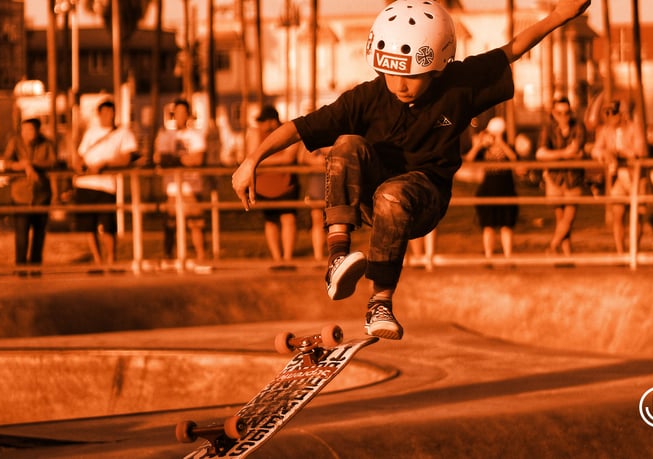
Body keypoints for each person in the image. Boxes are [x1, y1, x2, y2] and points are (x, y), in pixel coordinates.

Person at [232, 0, 591, 340]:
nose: (399, 85)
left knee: (393, 195)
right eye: (390, 73)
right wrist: (252, 160)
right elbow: (299, 127)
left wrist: (560, 15)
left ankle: (380, 303)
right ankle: (337, 255)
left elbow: (512, 50)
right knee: (346, 145)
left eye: (412, 77)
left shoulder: (460, 84)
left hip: (424, 200)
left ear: (437, 67)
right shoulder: (367, 97)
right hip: (372, 197)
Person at [72, 99, 137, 267]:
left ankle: (111, 261)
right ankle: (98, 261)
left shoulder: (123, 133)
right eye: (105, 112)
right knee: (88, 225)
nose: (109, 116)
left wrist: (105, 164)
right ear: (99, 114)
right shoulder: (90, 132)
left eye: (111, 112)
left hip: (106, 186)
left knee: (108, 225)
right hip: (85, 184)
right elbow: (80, 155)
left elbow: (126, 159)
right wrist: (79, 165)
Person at [154, 98, 210, 271]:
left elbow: (198, 159)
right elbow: (160, 159)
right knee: (170, 224)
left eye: (183, 112)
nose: (180, 116)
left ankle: (201, 257)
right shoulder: (166, 135)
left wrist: (174, 160)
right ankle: (168, 257)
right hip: (171, 188)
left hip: (191, 187)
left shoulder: (196, 135)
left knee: (196, 224)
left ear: (188, 114)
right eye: (177, 112)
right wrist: (183, 160)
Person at [590, 99, 647, 255]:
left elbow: (640, 151)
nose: (609, 117)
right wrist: (604, 153)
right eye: (606, 114)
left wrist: (623, 152)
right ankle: (621, 252)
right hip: (618, 178)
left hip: (635, 177)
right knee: (618, 215)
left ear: (621, 114)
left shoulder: (635, 128)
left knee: (637, 215)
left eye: (613, 113)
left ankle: (634, 251)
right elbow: (595, 150)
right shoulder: (605, 131)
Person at [2, 118, 58, 274]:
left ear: (38, 130)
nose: (27, 133)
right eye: (24, 130)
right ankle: (20, 267)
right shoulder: (15, 142)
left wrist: (32, 164)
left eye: (31, 129)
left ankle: (35, 267)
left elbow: (53, 162)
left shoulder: (47, 144)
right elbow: (6, 162)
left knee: (39, 234)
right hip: (20, 195)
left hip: (42, 195)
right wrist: (23, 165)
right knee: (21, 233)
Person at [247, 105, 301, 267]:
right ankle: (277, 259)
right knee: (270, 221)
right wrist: (260, 159)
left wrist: (261, 159)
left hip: (286, 185)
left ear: (273, 121)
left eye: (263, 121)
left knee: (288, 219)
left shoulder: (288, 130)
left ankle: (288, 259)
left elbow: (289, 158)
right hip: (264, 187)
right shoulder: (256, 134)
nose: (261, 125)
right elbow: (250, 156)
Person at [535, 96, 587, 255]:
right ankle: (567, 256)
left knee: (569, 218)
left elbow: (578, 151)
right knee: (561, 219)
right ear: (553, 113)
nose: (563, 116)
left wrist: (554, 155)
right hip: (555, 178)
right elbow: (540, 153)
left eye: (566, 112)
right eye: (559, 113)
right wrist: (564, 153)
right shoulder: (548, 129)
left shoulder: (578, 126)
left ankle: (552, 246)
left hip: (574, 178)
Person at [463, 117, 519, 259]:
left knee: (506, 226)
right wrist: (479, 145)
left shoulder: (509, 146)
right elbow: (469, 159)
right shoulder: (484, 149)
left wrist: (501, 143)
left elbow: (515, 160)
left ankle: (508, 257)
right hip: (487, 190)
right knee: (488, 226)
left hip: (506, 190)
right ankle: (489, 257)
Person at [300, 146, 327, 262]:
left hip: (334, 181)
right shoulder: (313, 139)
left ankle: (335, 256)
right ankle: (318, 257)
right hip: (317, 184)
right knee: (317, 220)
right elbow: (302, 157)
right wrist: (316, 161)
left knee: (335, 220)